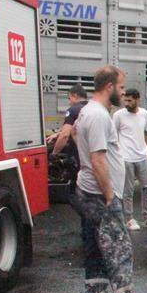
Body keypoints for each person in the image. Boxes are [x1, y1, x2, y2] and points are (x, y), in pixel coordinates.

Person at [72, 65, 147, 293]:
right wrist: (111, 197)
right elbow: (99, 159)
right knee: (120, 252)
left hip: (87, 193)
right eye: (121, 88)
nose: (123, 93)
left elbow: (77, 136)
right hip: (101, 197)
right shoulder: (100, 116)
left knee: (95, 252)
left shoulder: (86, 111)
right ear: (109, 87)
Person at [50, 84, 90, 242]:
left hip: (78, 160)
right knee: (88, 195)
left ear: (74, 96)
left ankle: (90, 223)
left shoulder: (73, 110)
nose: (69, 101)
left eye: (69, 98)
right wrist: (58, 134)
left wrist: (54, 154)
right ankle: (87, 230)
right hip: (90, 158)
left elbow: (66, 134)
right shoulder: (92, 109)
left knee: (74, 196)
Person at [113, 88, 147, 231]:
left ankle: (146, 217)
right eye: (125, 100)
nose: (126, 103)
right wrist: (117, 154)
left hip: (142, 156)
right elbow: (112, 135)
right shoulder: (118, 115)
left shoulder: (144, 114)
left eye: (130, 100)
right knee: (128, 191)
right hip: (126, 158)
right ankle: (129, 219)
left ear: (137, 99)